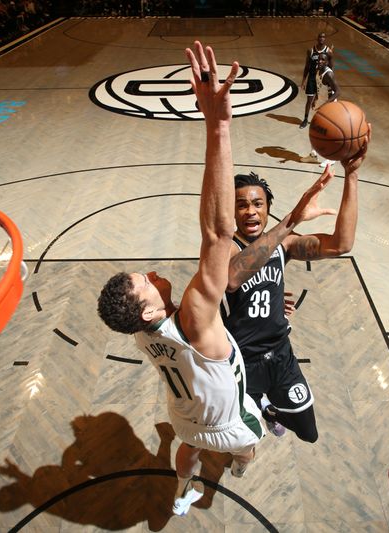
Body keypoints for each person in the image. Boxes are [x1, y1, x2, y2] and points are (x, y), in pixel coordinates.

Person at [97, 41, 264, 518]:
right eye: (146, 280)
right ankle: (236, 470)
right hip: (229, 421)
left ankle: (180, 493)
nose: (153, 273)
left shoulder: (141, 333)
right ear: (149, 309)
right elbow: (218, 231)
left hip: (184, 416)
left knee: (186, 450)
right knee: (247, 449)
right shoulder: (192, 317)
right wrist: (219, 126)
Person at [221, 130, 369, 442]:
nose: (251, 211)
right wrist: (294, 217)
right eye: (242, 205)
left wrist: (352, 176)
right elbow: (234, 277)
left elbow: (341, 244)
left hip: (280, 352)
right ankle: (260, 404)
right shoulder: (226, 247)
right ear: (231, 212)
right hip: (238, 359)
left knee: (308, 431)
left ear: (267, 207)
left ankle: (269, 408)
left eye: (258, 204)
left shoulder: (283, 245)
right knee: (240, 437)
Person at [300, 32, 333, 129]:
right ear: (317, 38)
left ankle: (321, 121)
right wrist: (303, 81)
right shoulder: (310, 50)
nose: (322, 38)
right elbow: (307, 67)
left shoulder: (328, 51)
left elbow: (331, 67)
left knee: (321, 102)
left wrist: (330, 57)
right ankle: (305, 119)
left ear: (325, 39)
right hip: (311, 78)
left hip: (321, 79)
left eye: (323, 37)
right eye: (320, 37)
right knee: (309, 100)